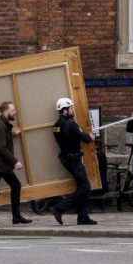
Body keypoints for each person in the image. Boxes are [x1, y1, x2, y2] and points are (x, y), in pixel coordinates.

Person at [0, 101, 33, 228]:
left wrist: (12, 134)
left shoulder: (2, 124)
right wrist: (16, 161)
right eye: (13, 110)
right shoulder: (1, 126)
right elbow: (2, 148)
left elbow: (2, 140)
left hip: (1, 165)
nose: (15, 112)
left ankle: (16, 217)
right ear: (6, 111)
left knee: (15, 186)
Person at [51, 97, 97, 226]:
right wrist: (90, 137)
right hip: (73, 159)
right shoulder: (71, 124)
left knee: (81, 187)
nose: (72, 110)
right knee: (85, 187)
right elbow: (86, 139)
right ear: (64, 110)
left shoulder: (56, 125)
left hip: (65, 158)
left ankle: (83, 217)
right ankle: (59, 208)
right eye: (70, 108)